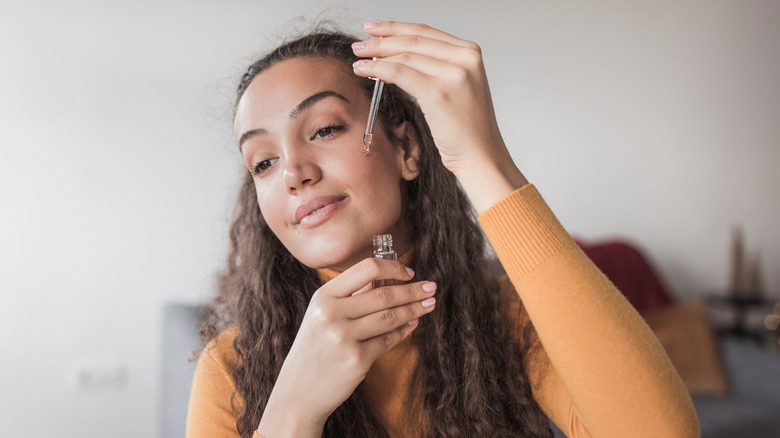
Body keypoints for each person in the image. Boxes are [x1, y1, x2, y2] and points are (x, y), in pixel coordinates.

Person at [186, 21, 699, 438]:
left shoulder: (507, 320)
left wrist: (482, 157)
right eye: (263, 163)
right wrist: (294, 411)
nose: (295, 172)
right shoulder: (232, 367)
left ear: (407, 150)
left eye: (324, 129)